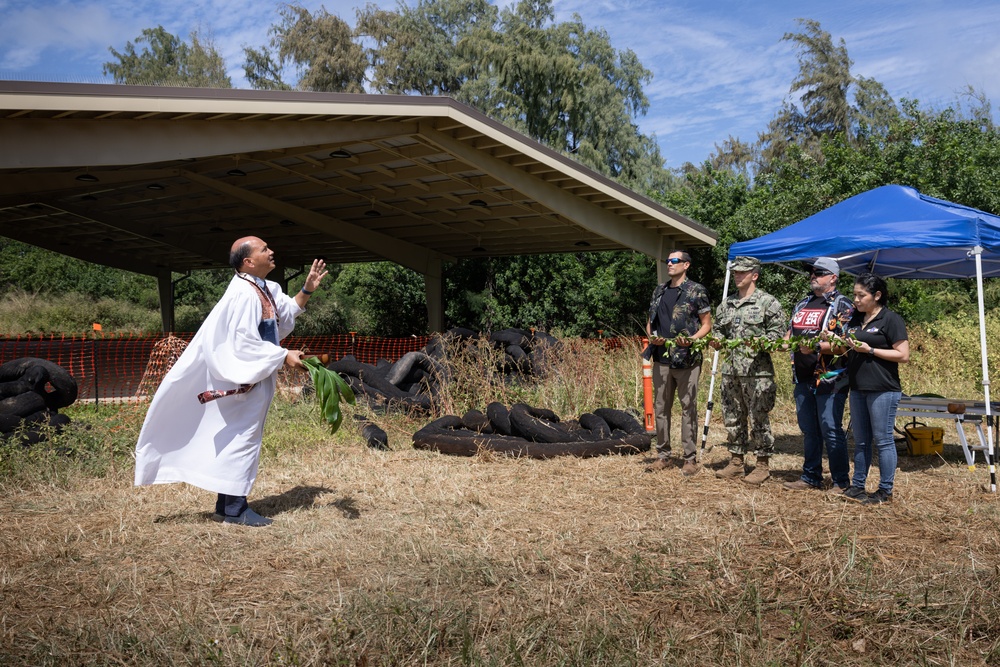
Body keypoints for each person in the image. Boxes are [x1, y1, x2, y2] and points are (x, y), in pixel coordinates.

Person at [134, 236, 327, 527]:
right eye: (264, 249)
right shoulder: (243, 294)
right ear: (248, 262)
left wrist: (306, 289)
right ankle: (236, 511)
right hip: (241, 383)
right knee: (242, 441)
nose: (272, 251)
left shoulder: (262, 288)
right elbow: (242, 343)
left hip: (254, 378)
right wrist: (283, 356)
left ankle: (225, 507)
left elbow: (282, 320)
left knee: (238, 439)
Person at [710, 257, 787, 486]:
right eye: (735, 273)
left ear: (754, 275)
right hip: (731, 370)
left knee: (758, 417)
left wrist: (762, 342)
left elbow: (778, 334)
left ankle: (762, 464)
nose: (737, 276)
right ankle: (736, 462)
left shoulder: (768, 303)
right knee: (732, 416)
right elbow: (718, 330)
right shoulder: (726, 305)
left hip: (758, 372)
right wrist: (716, 340)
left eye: (742, 273)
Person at [834, 272, 910, 505]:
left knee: (883, 439)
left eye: (861, 295)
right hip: (858, 387)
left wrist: (870, 350)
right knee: (861, 440)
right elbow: (847, 350)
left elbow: (903, 355)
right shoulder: (856, 319)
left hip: (883, 389)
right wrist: (839, 342)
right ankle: (858, 485)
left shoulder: (890, 319)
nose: (855, 300)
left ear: (877, 295)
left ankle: (885, 491)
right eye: (855, 294)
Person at [782, 257, 855, 493]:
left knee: (830, 428)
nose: (813, 276)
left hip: (830, 377)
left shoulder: (843, 305)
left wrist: (816, 348)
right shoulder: (802, 303)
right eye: (812, 272)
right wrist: (778, 344)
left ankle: (840, 481)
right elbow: (790, 332)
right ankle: (811, 476)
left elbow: (848, 345)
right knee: (809, 429)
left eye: (820, 272)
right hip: (803, 376)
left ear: (833, 277)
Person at [645, 250, 712, 476]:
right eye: (668, 260)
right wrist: (652, 337)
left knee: (687, 408)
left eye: (675, 261)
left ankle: (689, 458)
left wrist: (691, 341)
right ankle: (663, 455)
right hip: (661, 358)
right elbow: (650, 321)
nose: (670, 264)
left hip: (687, 359)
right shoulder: (660, 290)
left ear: (686, 265)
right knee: (661, 408)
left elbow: (706, 324)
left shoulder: (696, 290)